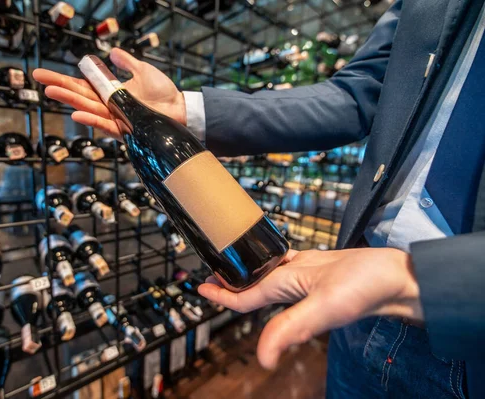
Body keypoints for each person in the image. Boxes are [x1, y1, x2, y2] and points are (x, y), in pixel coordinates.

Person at [33, 0, 485, 396]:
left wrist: (417, 280)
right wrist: (184, 111)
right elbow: (357, 95)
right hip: (354, 295)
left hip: (466, 330)